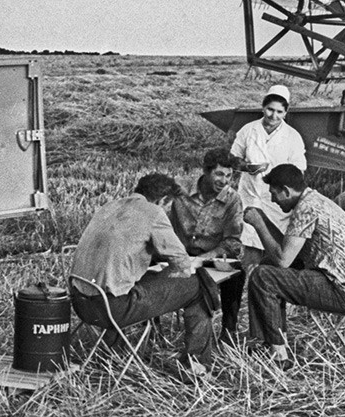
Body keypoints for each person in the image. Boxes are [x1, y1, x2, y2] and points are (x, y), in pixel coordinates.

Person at [70, 173, 214, 376]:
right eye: (167, 205)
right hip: (113, 310)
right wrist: (170, 271)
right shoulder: (153, 212)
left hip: (81, 303)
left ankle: (113, 353)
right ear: (163, 200)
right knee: (199, 285)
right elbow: (181, 263)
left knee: (124, 280)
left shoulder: (109, 207)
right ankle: (195, 364)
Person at [245, 164, 345, 365]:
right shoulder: (313, 200)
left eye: (275, 194)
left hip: (339, 291)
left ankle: (279, 355)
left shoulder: (306, 208)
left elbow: (283, 260)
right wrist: (263, 218)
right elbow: (287, 247)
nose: (273, 200)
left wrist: (258, 224)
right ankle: (267, 340)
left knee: (262, 276)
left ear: (286, 190)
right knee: (267, 264)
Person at [169, 148, 245, 344]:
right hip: (177, 256)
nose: (225, 180)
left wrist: (203, 259)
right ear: (205, 171)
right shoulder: (179, 189)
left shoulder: (232, 200)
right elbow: (158, 219)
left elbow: (232, 242)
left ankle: (228, 334)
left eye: (229, 175)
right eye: (219, 174)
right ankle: (149, 325)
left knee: (236, 273)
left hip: (209, 260)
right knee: (147, 261)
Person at [230, 84, 306, 264]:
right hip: (250, 194)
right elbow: (232, 159)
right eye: (270, 109)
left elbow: (299, 171)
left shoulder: (292, 137)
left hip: (277, 200)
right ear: (263, 107)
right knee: (250, 245)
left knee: (274, 245)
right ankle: (247, 284)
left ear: (286, 113)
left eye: (279, 112)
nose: (273, 116)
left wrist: (280, 179)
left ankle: (268, 283)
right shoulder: (248, 130)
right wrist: (248, 168)